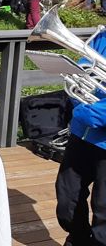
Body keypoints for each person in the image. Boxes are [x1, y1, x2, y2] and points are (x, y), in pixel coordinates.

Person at [55, 77, 106, 245]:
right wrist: (78, 101)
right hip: (81, 133)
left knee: (103, 208)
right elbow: (80, 74)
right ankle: (79, 240)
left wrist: (98, 112)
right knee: (67, 198)